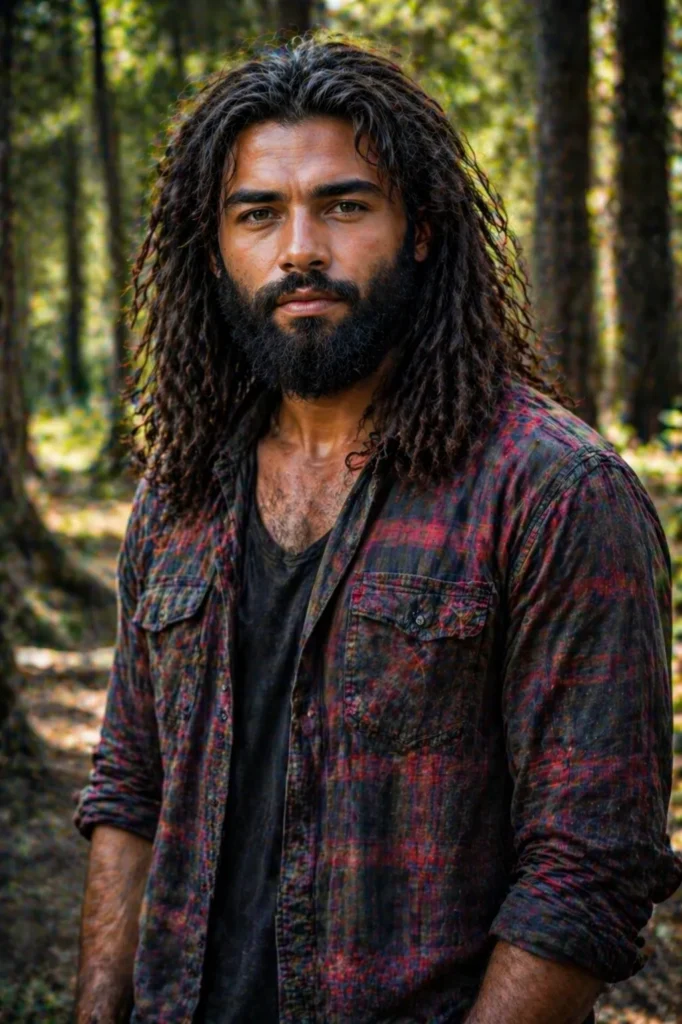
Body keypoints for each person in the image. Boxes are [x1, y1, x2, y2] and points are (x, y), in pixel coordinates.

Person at [73, 37, 682, 1024]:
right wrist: (98, 1004)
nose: (299, 248)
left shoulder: (555, 494)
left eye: (344, 206)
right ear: (215, 249)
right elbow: (131, 785)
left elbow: (588, 867)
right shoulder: (180, 491)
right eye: (257, 214)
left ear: (422, 230)